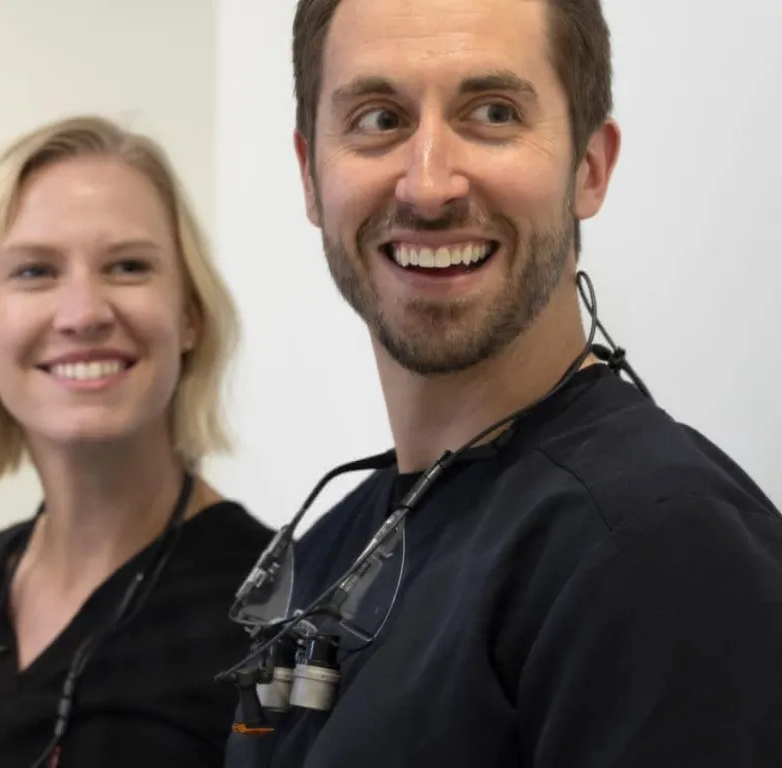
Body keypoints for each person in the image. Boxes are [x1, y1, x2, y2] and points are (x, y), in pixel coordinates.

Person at [221, 0, 782, 766]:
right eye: (379, 119)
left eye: (492, 112)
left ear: (591, 167)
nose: (427, 186)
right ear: (311, 176)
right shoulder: (334, 549)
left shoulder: (660, 553)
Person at [0, 115, 272, 768]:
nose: (85, 312)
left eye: (127, 266)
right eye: (35, 272)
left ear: (190, 317)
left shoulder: (272, 609)